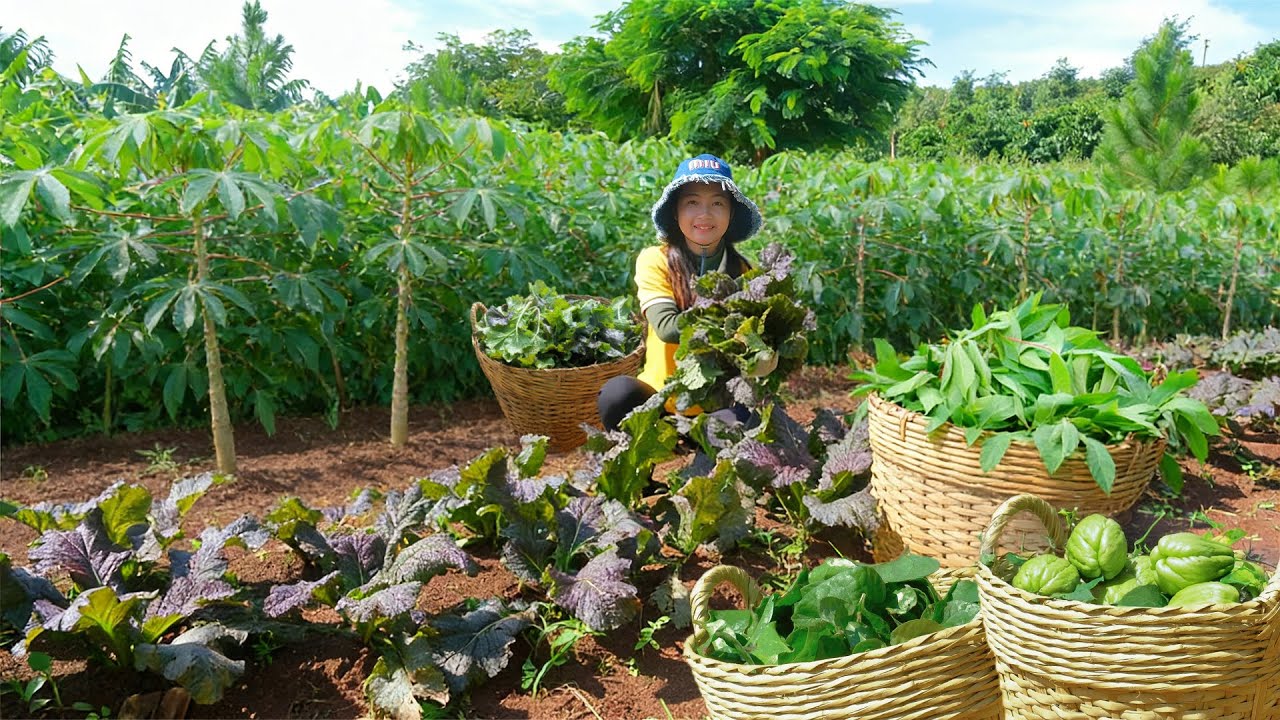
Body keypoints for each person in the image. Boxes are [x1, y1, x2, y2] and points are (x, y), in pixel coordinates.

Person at [597, 153, 762, 431]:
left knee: (757, 417)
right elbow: (666, 327)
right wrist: (735, 327)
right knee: (617, 395)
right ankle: (640, 469)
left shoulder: (746, 272)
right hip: (660, 401)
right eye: (692, 202)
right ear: (676, 212)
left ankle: (708, 455)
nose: (704, 214)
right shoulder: (655, 260)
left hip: (719, 407)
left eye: (718, 203)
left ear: (731, 214)